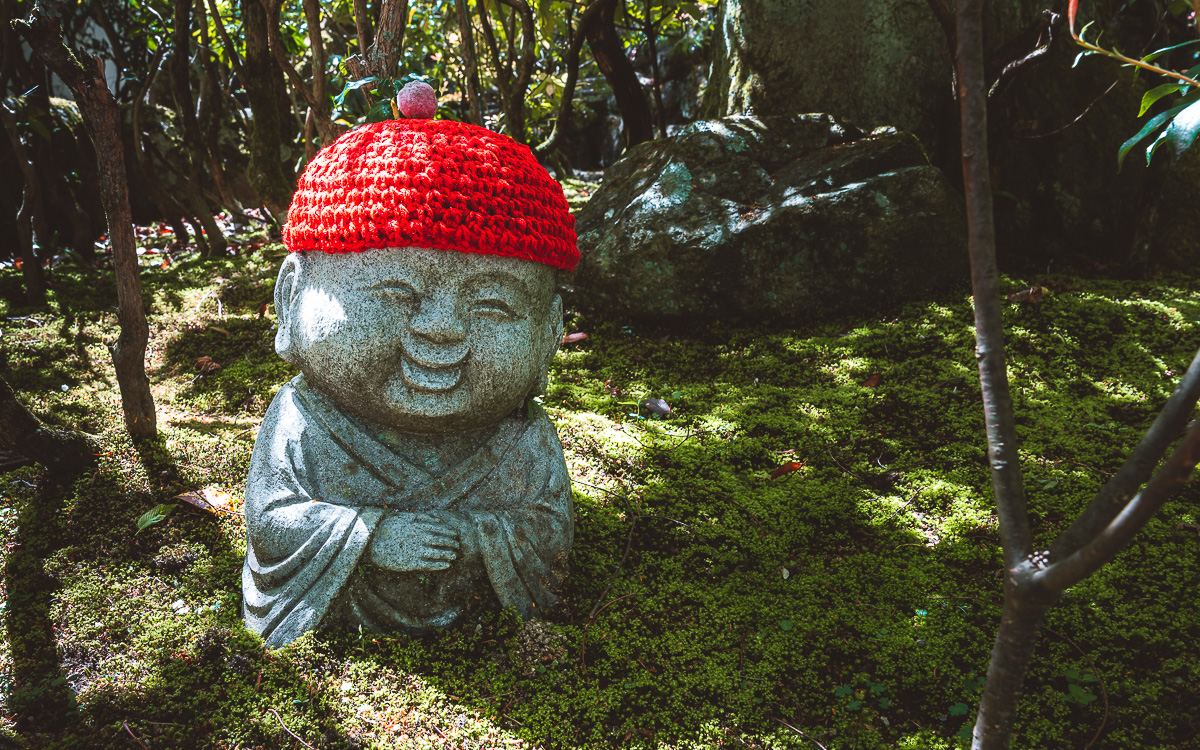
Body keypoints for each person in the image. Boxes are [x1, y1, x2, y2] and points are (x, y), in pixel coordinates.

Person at [242, 92, 578, 648]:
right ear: (290, 297)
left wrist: (477, 536)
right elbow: (272, 521)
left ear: (549, 332)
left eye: (491, 305)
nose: (440, 330)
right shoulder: (303, 418)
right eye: (394, 293)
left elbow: (551, 531)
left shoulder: (523, 435)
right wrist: (370, 535)